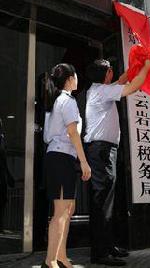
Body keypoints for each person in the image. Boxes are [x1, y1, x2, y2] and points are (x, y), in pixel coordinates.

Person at [84, 59, 150, 266]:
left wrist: (137, 66)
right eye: (110, 70)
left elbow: (123, 79)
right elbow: (132, 87)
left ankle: (108, 245)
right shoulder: (101, 91)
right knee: (101, 203)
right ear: (105, 74)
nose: (113, 73)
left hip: (105, 151)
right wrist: (147, 67)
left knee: (107, 202)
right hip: (101, 152)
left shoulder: (102, 89)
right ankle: (100, 253)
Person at [42, 63, 91, 268]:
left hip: (61, 157)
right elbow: (72, 133)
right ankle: (50, 260)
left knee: (68, 209)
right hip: (61, 157)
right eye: (76, 75)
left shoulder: (56, 101)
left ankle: (61, 256)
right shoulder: (66, 100)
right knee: (61, 211)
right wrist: (84, 162)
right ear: (70, 78)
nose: (78, 79)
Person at [0, 118, 14, 232]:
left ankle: (1, 226)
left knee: (2, 200)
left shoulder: (2, 139)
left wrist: (8, 176)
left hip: (2, 175)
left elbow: (3, 160)